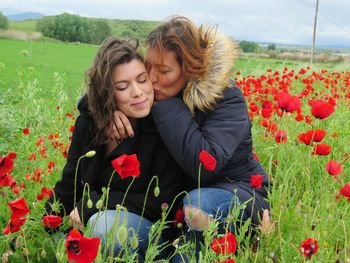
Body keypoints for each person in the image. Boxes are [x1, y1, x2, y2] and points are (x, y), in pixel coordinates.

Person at [109, 16, 271, 260]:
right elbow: (110, 93)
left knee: (198, 203)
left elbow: (204, 165)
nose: (152, 79)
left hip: (235, 194)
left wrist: (167, 107)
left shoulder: (227, 99)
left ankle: (236, 241)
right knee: (113, 230)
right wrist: (109, 108)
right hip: (173, 206)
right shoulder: (159, 92)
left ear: (191, 69)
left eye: (164, 71)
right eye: (148, 67)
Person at [44, 37, 185, 261]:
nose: (138, 92)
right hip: (94, 224)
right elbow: (70, 181)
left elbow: (163, 203)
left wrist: (95, 203)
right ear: (107, 93)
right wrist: (41, 227)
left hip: (150, 235)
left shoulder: (163, 130)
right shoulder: (89, 125)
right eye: (123, 86)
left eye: (142, 80)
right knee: (53, 245)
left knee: (103, 226)